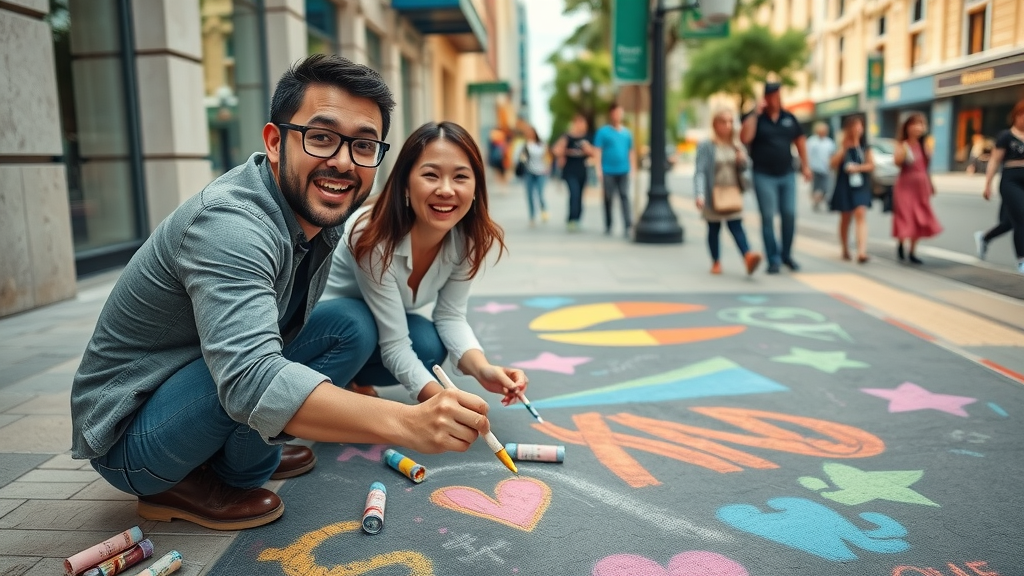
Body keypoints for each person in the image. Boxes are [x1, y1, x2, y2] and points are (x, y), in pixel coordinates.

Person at [69, 54, 497, 531]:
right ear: (275, 142)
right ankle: (179, 481)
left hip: (205, 380)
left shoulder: (318, 217)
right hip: (131, 433)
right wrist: (407, 422)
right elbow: (251, 376)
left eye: (363, 145)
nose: (342, 161)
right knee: (253, 429)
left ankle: (239, 456)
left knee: (349, 326)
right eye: (321, 137)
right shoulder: (230, 224)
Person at [320, 120, 528, 405]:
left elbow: (450, 316)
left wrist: (484, 370)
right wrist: (444, 401)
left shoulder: (465, 238)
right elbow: (393, 345)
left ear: (477, 186)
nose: (446, 190)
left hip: (367, 331)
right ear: (405, 184)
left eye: (460, 177)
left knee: (428, 343)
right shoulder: (371, 233)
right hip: (319, 331)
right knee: (356, 323)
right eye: (431, 175)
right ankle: (298, 410)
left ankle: (350, 380)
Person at [740, 81, 812, 274]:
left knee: (789, 214)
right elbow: (745, 138)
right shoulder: (757, 118)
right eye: (773, 95)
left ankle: (786, 255)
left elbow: (800, 142)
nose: (777, 99)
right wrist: (755, 112)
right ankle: (773, 258)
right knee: (768, 217)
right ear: (766, 98)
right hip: (763, 175)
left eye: (779, 95)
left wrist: (806, 166)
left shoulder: (789, 118)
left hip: (786, 174)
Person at [694, 107, 762, 276]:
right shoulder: (706, 145)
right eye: (723, 121)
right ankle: (716, 261)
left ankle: (748, 256)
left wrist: (742, 161)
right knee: (714, 227)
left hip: (732, 191)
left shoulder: (737, 145)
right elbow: (700, 171)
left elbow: (747, 170)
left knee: (736, 225)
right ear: (715, 124)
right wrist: (700, 194)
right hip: (713, 193)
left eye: (730, 121)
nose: (728, 125)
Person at [981, 99, 1024, 274]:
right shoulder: (1006, 136)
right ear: (1016, 116)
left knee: (1008, 222)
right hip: (1011, 182)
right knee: (1021, 217)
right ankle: (1022, 260)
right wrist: (988, 184)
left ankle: (984, 238)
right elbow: (994, 161)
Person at [892, 113, 942, 264]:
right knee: (905, 216)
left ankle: (912, 251)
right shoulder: (902, 145)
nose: (918, 128)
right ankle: (901, 242)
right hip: (905, 186)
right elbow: (897, 162)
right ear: (907, 127)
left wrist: (931, 184)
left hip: (921, 186)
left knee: (920, 218)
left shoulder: (924, 145)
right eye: (914, 124)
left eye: (921, 124)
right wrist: (904, 152)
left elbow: (926, 168)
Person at [829, 116, 874, 264]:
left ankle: (861, 252)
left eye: (859, 126)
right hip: (844, 183)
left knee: (860, 212)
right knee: (845, 217)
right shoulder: (842, 146)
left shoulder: (865, 147)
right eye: (854, 126)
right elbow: (833, 164)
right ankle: (845, 248)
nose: (857, 129)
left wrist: (858, 168)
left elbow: (871, 165)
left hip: (860, 183)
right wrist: (844, 148)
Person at [592, 103, 636, 237]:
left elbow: (631, 152)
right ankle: (609, 224)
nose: (618, 115)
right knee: (608, 198)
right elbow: (597, 151)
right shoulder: (603, 132)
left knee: (624, 196)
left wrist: (632, 169)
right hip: (608, 171)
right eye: (616, 112)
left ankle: (628, 225)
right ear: (611, 114)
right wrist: (598, 169)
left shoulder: (627, 133)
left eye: (620, 112)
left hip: (623, 170)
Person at [552, 113, 592, 232]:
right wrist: (564, 150)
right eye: (578, 122)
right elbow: (555, 150)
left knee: (580, 195)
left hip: (582, 171)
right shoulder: (567, 137)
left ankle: (577, 218)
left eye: (583, 122)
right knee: (574, 193)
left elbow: (594, 153)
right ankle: (571, 219)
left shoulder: (588, 137)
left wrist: (587, 148)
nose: (581, 125)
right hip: (570, 171)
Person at [518, 125, 550, 226]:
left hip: (541, 172)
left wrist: (547, 167)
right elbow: (521, 158)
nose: (529, 134)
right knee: (530, 196)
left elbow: (547, 157)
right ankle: (532, 217)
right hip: (529, 172)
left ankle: (544, 210)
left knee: (540, 194)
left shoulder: (542, 145)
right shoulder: (525, 145)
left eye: (531, 132)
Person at [807, 121, 836, 211]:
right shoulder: (812, 141)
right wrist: (807, 168)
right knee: (815, 188)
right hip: (815, 168)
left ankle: (819, 201)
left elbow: (832, 155)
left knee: (826, 188)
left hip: (826, 169)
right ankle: (816, 202)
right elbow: (807, 155)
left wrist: (833, 166)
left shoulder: (829, 142)